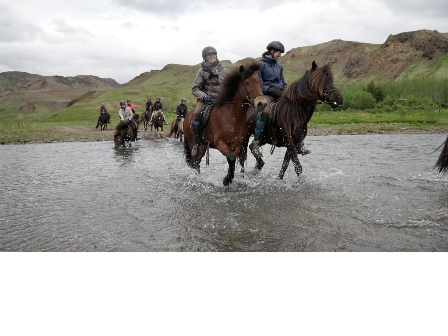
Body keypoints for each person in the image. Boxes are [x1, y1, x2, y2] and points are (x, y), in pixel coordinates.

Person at [250, 41, 310, 158]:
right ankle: (256, 143)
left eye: (281, 53)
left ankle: (299, 142)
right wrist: (270, 89)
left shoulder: (279, 67)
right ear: (271, 51)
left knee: (294, 109)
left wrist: (286, 89)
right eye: (278, 53)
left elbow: (282, 81)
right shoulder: (260, 65)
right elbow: (258, 84)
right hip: (267, 94)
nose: (280, 55)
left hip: (280, 93)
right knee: (266, 112)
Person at [191, 46, 227, 158]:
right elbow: (195, 88)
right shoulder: (201, 71)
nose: (212, 56)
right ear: (205, 57)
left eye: (213, 54)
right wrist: (204, 96)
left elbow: (228, 86)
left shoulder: (223, 70)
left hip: (221, 100)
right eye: (209, 55)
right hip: (207, 99)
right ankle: (196, 144)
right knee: (196, 114)